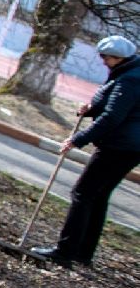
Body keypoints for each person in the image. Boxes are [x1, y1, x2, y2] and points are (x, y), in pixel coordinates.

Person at [30, 34, 140, 268]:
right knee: (98, 197)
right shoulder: (131, 73)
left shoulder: (129, 80)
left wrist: (78, 139)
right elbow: (121, 108)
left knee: (82, 194)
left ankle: (65, 251)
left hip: (118, 147)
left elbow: (113, 117)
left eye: (105, 57)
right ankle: (83, 252)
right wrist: (92, 109)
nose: (103, 61)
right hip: (130, 147)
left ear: (118, 58)